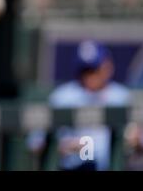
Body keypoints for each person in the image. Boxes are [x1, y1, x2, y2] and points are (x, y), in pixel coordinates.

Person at [29, 40, 130, 170]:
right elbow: (35, 142)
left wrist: (133, 139)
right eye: (84, 71)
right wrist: (63, 146)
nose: (89, 77)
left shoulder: (121, 97)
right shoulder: (63, 97)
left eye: (93, 70)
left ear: (107, 67)